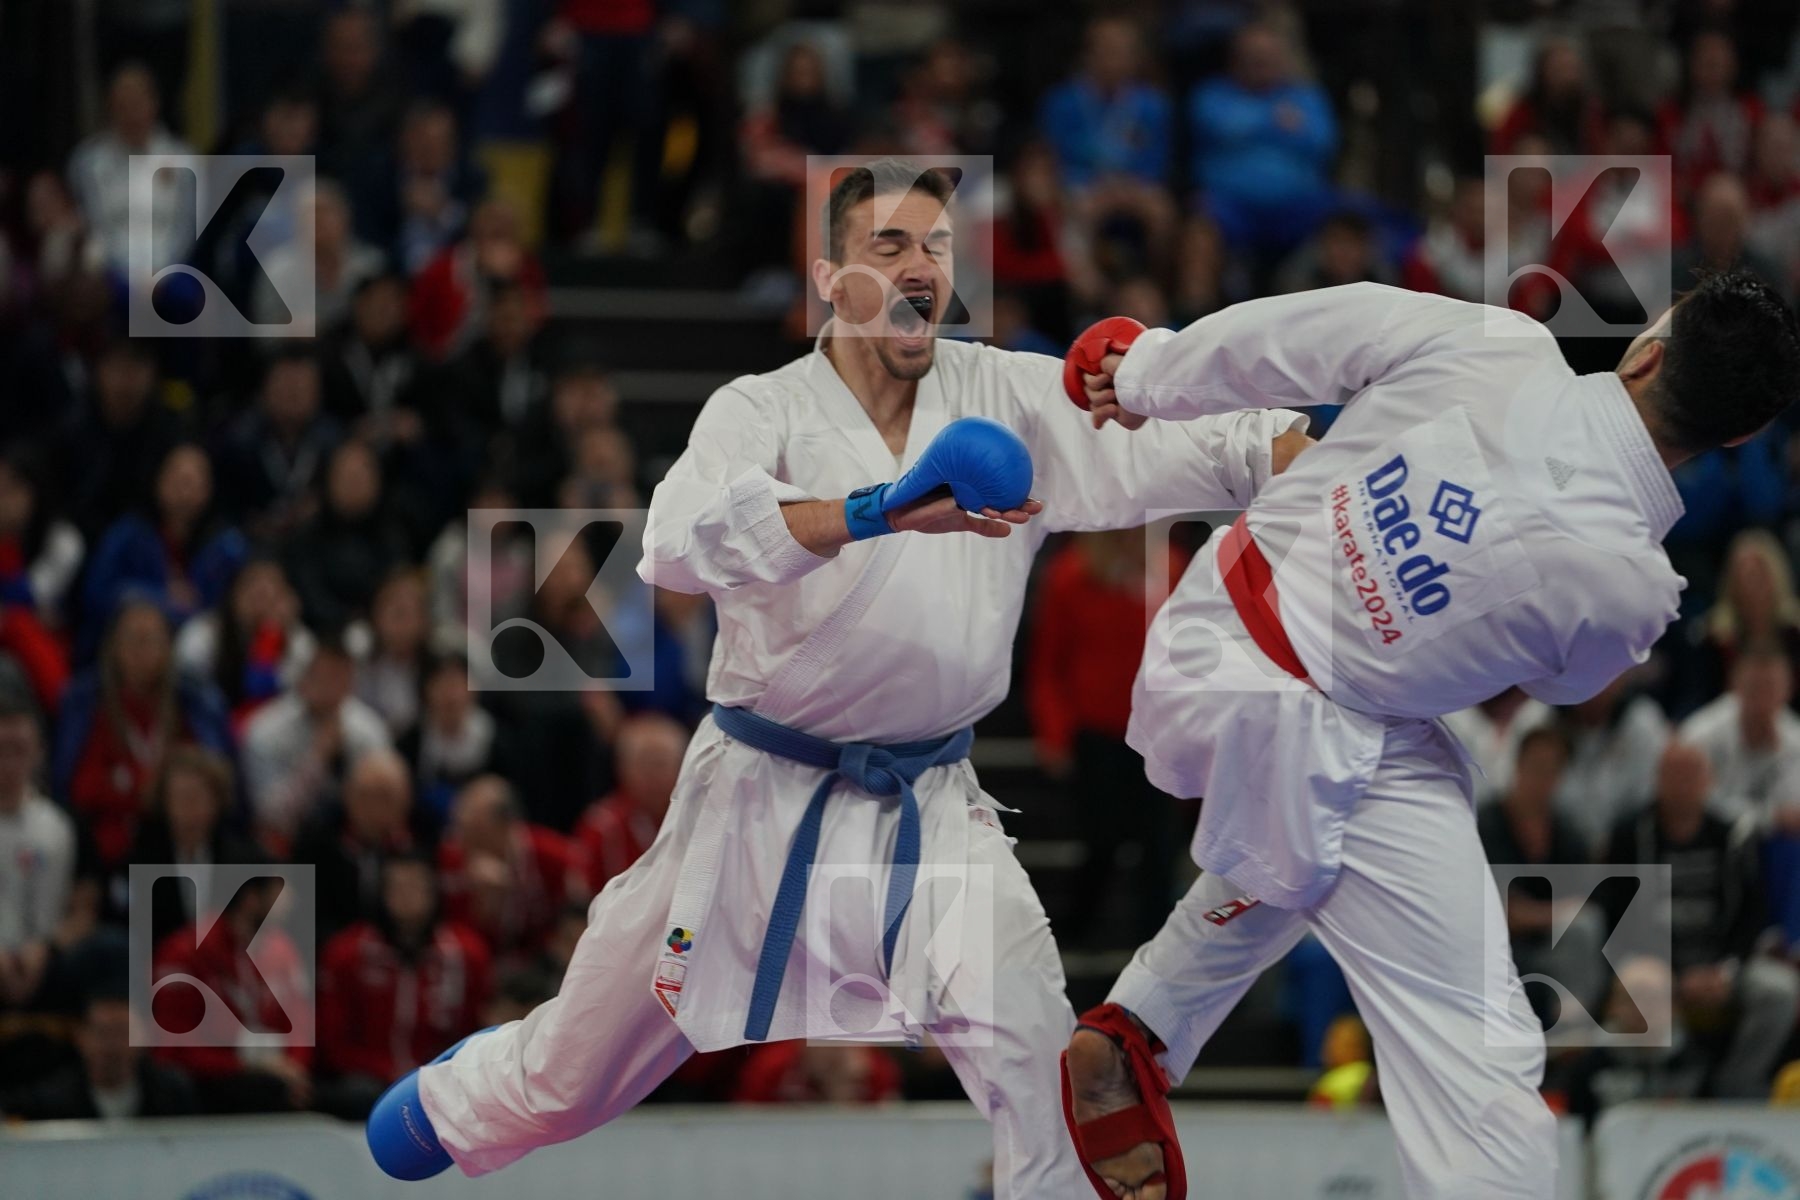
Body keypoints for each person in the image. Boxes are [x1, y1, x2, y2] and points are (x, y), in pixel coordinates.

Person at [368, 159, 1306, 1194]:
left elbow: (1191, 447)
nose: (920, 268)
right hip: (756, 797)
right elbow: (676, 548)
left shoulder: (1005, 396)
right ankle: (456, 1106)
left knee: (1040, 1062)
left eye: (937, 248)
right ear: (827, 278)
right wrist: (878, 509)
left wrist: (1309, 446)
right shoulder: (759, 408)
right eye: (888, 246)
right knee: (567, 1084)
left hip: (931, 805)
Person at [1061, 270, 1800, 1200]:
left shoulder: (1502, 343)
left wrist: (1145, 372)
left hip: (1215, 631)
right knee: (1479, 1065)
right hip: (1308, 721)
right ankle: (1151, 1016)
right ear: (1735, 435)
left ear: (1648, 351)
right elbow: (1557, 685)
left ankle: (1141, 1023)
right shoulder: (1633, 590)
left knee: (1333, 811)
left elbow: (1304, 333)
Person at [1604, 741, 1800, 1098]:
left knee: (1779, 991)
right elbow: (1617, 917)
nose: (1682, 784)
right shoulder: (1631, 835)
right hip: (1655, 961)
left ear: (1709, 781)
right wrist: (1678, 974)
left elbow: (1751, 917)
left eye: (1691, 775)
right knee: (1645, 985)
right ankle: (1657, 1092)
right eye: (1673, 774)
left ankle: (1734, 1088)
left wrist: (1725, 970)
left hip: (1719, 965)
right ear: (1657, 780)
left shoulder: (1733, 835)